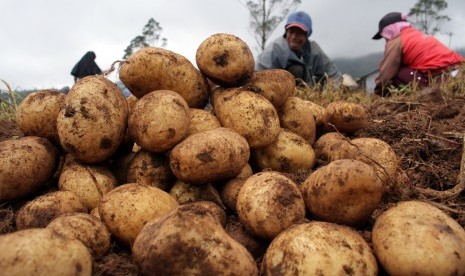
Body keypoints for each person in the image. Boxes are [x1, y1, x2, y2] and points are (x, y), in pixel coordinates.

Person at [372, 12, 464, 95]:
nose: (385, 39)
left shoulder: (396, 41)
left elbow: (385, 75)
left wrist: (378, 93)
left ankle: (428, 95)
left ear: (390, 30)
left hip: (443, 78)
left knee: (397, 72)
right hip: (460, 71)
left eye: (384, 35)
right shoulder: (416, 34)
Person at [255, 11, 343, 88]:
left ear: (306, 35)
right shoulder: (275, 48)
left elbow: (332, 72)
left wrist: (341, 84)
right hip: (281, 90)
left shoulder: (314, 49)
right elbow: (257, 73)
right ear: (286, 32)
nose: (293, 37)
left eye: (299, 33)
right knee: (297, 70)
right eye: (291, 32)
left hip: (310, 90)